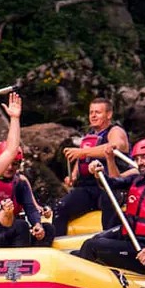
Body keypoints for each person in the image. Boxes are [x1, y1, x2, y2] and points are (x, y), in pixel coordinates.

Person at [73, 138, 145, 274]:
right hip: (129, 237)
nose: (140, 163)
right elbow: (111, 183)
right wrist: (98, 173)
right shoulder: (137, 179)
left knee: (91, 246)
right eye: (137, 159)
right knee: (91, 243)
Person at [53, 98, 130, 235]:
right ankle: (56, 243)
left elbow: (114, 147)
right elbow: (82, 160)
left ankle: (108, 242)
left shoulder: (115, 131)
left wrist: (81, 152)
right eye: (91, 112)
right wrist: (74, 175)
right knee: (60, 206)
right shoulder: (89, 137)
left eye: (98, 112)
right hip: (88, 188)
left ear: (109, 114)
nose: (93, 116)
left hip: (109, 185)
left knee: (108, 201)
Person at [0, 147, 56, 247]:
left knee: (48, 229)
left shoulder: (20, 183)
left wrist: (37, 225)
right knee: (21, 226)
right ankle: (19, 260)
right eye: (7, 163)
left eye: (15, 164)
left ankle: (37, 259)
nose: (10, 167)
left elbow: (30, 208)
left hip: (12, 229)